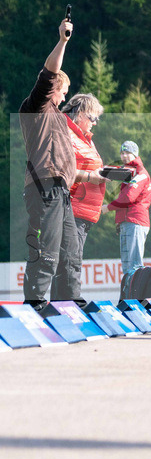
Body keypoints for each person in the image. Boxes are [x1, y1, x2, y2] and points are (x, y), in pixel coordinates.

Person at [20, 17, 79, 310]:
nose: (64, 96)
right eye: (63, 90)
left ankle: (69, 302)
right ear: (52, 88)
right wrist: (63, 41)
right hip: (44, 187)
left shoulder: (57, 115)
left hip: (62, 190)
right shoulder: (37, 106)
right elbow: (49, 73)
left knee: (70, 252)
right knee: (48, 250)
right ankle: (35, 303)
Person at [57, 94, 107, 304]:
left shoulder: (85, 138)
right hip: (73, 205)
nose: (94, 123)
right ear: (78, 114)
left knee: (71, 258)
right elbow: (61, 168)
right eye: (92, 117)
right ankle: (72, 303)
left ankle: (62, 304)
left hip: (86, 209)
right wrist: (90, 176)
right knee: (71, 258)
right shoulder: (66, 134)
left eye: (97, 119)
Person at [107, 141, 151, 278]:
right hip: (127, 222)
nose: (124, 156)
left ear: (135, 154)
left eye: (128, 153)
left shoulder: (140, 173)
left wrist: (107, 208)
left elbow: (128, 198)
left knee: (135, 265)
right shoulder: (128, 172)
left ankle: (136, 298)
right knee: (127, 267)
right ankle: (129, 296)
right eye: (122, 153)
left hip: (136, 221)